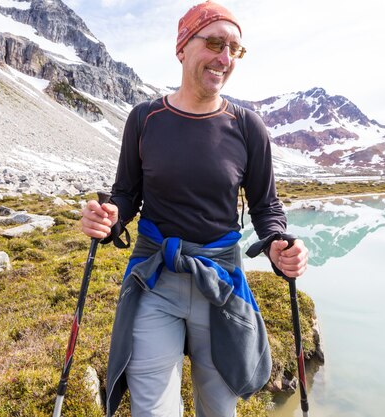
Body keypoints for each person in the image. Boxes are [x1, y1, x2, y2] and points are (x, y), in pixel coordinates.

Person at [81, 1, 309, 416]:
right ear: (182, 47)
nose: (224, 58)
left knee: (220, 410)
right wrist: (108, 217)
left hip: (220, 282)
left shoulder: (246, 126)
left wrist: (277, 242)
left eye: (235, 49)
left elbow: (265, 204)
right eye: (215, 43)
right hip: (155, 280)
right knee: (151, 410)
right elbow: (126, 195)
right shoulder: (145, 118)